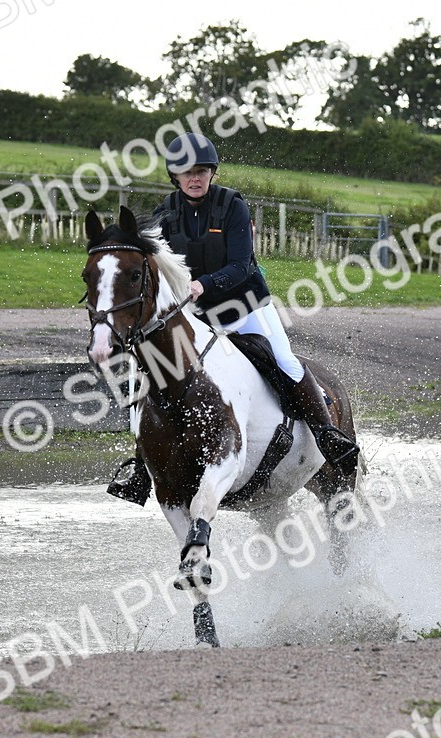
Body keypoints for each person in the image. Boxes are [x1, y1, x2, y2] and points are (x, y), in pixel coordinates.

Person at [107, 132, 360, 505]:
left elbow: (242, 265)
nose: (196, 178)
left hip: (245, 305)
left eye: (203, 171)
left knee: (284, 360)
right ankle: (142, 466)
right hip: (197, 314)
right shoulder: (165, 213)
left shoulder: (232, 207)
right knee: (152, 374)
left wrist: (201, 285)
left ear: (212, 173)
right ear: (174, 176)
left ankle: (326, 434)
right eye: (187, 172)